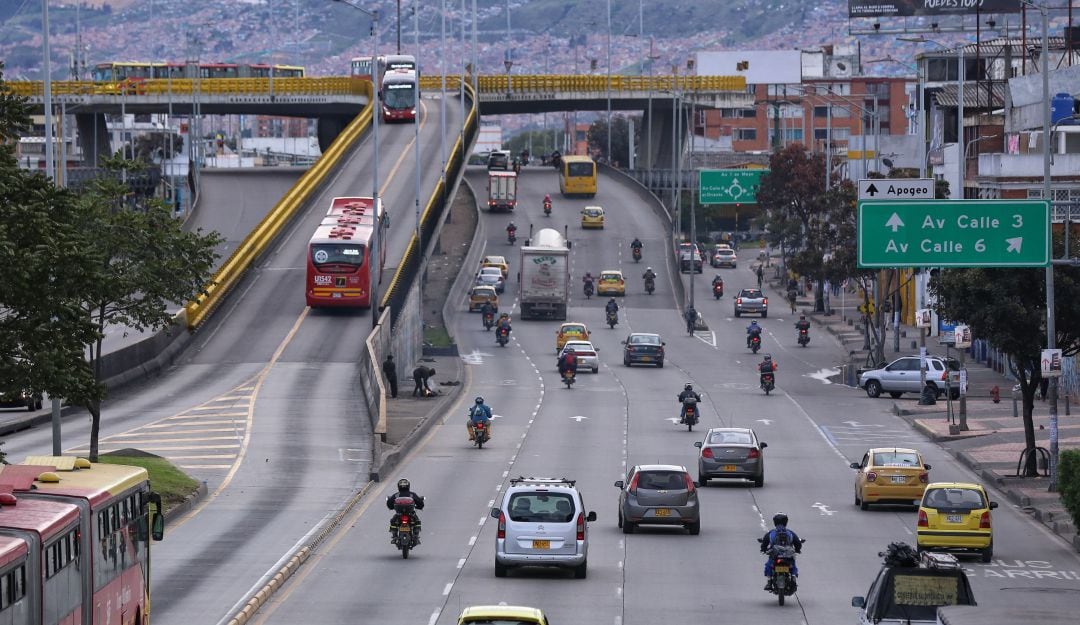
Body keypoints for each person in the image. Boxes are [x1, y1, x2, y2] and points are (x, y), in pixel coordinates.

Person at [759, 512, 802, 590]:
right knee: (793, 566)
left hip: (775, 556)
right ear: (786, 522)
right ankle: (793, 578)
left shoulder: (771, 533)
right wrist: (798, 550)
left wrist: (763, 549)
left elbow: (764, 543)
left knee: (768, 565)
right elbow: (798, 543)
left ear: (775, 522)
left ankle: (769, 582)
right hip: (788, 557)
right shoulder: (790, 533)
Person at [386, 478, 425, 542]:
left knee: (393, 521)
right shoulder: (412, 494)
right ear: (408, 486)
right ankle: (416, 535)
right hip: (410, 513)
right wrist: (420, 507)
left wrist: (391, 507)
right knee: (417, 521)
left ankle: (394, 536)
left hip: (399, 514)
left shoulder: (396, 495)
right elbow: (420, 502)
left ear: (398, 486)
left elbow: (389, 503)